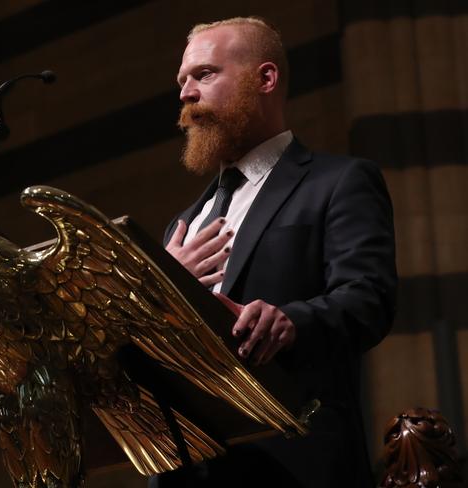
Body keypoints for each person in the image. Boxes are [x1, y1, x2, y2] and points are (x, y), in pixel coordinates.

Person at [153, 17, 397, 488]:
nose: (185, 93)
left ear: (265, 79)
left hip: (294, 466)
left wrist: (290, 321)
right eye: (182, 81)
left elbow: (370, 299)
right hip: (188, 471)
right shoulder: (181, 226)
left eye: (204, 75)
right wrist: (161, 287)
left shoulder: (338, 183)